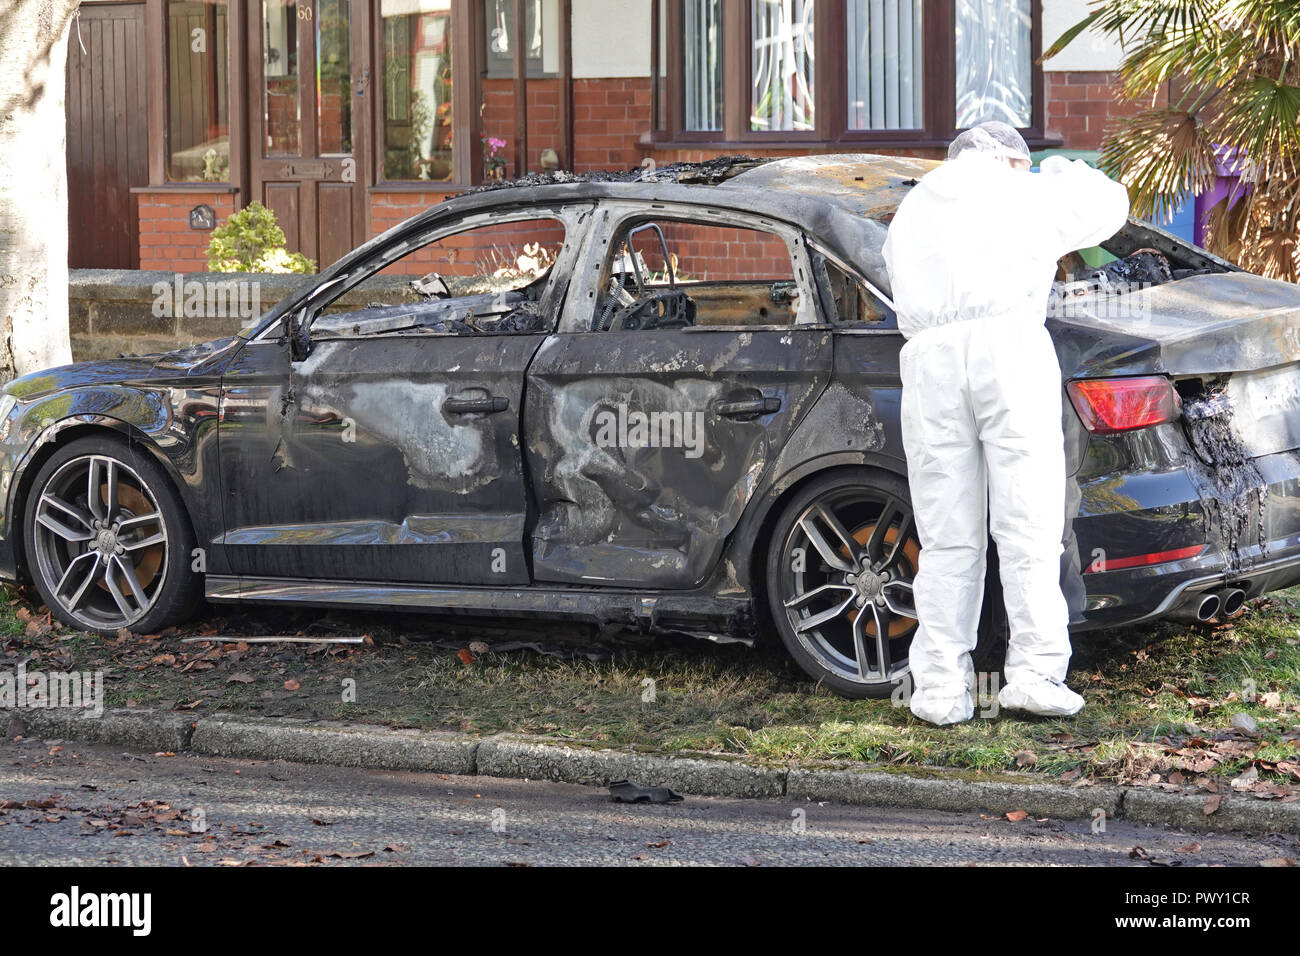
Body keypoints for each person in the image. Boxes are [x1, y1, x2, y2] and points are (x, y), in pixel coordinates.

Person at [882, 122, 1130, 725]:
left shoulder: (914, 206)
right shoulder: (1025, 191)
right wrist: (1055, 172)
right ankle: (1035, 675)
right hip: (1007, 351)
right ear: (1013, 160)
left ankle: (939, 688)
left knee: (946, 534)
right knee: (1027, 524)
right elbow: (1110, 202)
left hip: (929, 360)